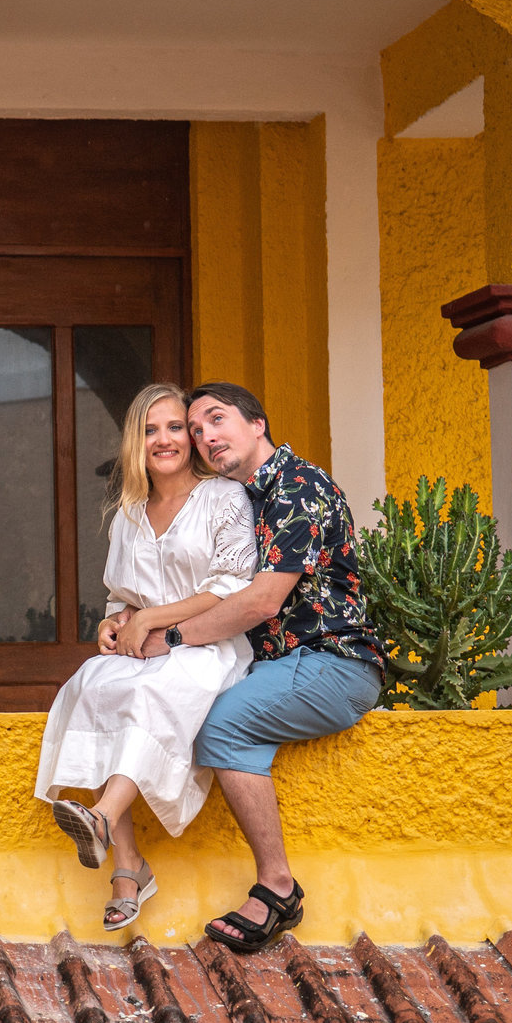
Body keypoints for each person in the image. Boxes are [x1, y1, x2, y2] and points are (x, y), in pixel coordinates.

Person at [102, 382, 385, 953]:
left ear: (258, 424)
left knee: (222, 726)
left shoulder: (298, 486)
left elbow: (259, 602)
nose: (205, 436)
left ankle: (278, 887)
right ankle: (125, 860)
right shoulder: (238, 497)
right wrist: (126, 616)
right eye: (196, 428)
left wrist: (169, 636)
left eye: (217, 419)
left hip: (331, 661)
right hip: (275, 667)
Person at [35, 382, 258, 932]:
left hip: (205, 645)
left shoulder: (224, 498)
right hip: (143, 647)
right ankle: (128, 863)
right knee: (95, 685)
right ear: (136, 442)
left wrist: (153, 618)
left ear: (191, 437)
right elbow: (120, 598)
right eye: (150, 430)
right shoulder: (129, 514)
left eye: (175, 427)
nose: (164, 439)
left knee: (152, 689)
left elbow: (230, 587)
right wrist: (111, 626)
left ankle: (102, 820)